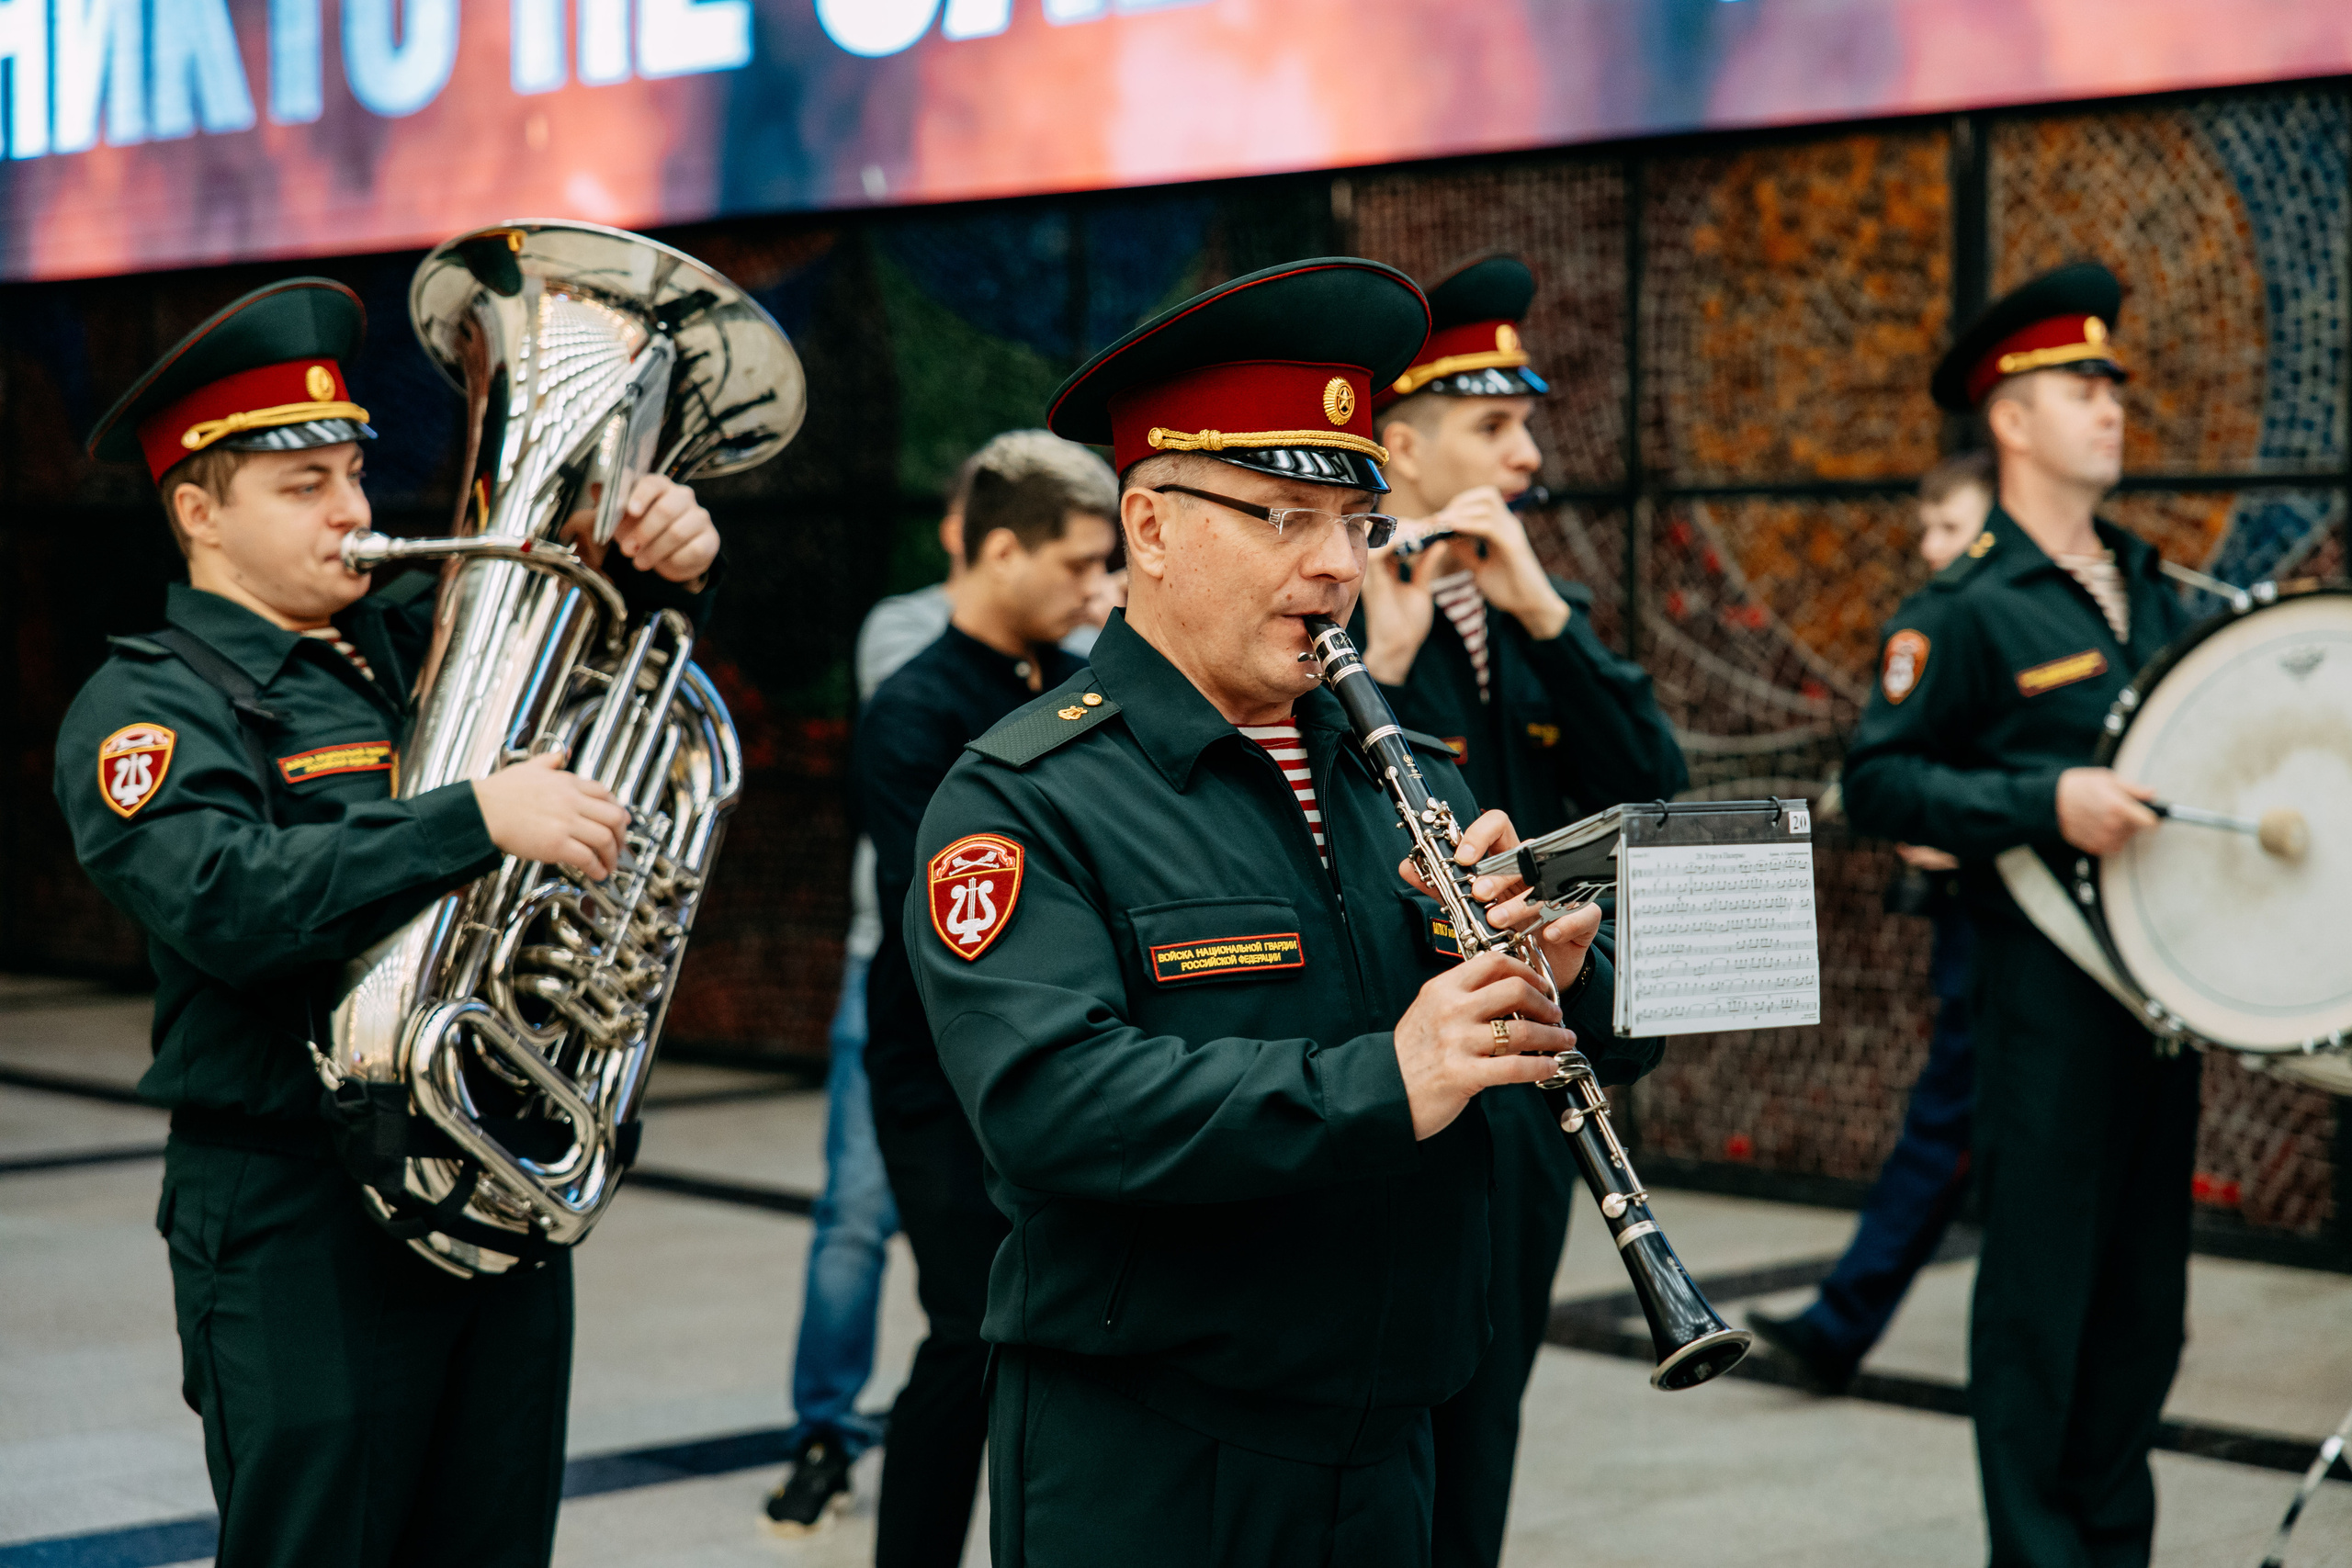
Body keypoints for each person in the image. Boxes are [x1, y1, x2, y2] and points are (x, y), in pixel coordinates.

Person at [909, 257, 1643, 1568]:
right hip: (1152, 1452)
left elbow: (1585, 1050)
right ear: (1149, 527)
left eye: (1356, 521)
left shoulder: (1406, 771)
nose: (1335, 565)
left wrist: (1560, 978)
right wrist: (1387, 1078)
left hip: (1392, 1437)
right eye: (1284, 516)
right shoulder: (1024, 794)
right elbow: (1049, 1102)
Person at [54, 279, 720, 1567]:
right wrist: (470, 819)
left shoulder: (425, 634)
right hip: (296, 1215)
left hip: (489, 1188)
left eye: (353, 474)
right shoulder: (147, 705)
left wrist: (661, 568)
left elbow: (613, 690)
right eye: (302, 485)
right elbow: (227, 899)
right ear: (199, 512)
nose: (353, 511)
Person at [1842, 264, 2199, 1568]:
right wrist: (2044, 798)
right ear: (2009, 418)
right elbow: (1877, 780)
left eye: (2113, 386)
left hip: (2161, 1002)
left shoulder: (2153, 586)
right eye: (2079, 387)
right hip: (2040, 1002)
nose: (2111, 407)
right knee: (2041, 1312)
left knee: (2143, 1316)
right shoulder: (1965, 605)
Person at [1355, 253, 1687, 1568]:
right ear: (1400, 445)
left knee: (1490, 1412)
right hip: (1407, 1063)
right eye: (1494, 425)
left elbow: (1651, 781)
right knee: (1402, 1418)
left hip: (1537, 1072)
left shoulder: (1520, 606)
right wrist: (1382, 667)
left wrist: (1545, 611)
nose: (1529, 454)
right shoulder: (1330, 608)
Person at [857, 431, 1120, 1566]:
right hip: (940, 1077)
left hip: (1056, 1057)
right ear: (1002, 550)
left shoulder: (1074, 683)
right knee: (969, 1331)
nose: (1096, 587)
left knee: (1052, 1332)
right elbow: (954, 922)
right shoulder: (915, 708)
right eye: (1078, 564)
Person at [1746, 448, 1996, 1391]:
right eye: (1927, 529)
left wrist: (1964, 829)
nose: (1930, 547)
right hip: (1973, 928)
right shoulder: (1947, 626)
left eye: (1950, 527)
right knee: (1947, 1130)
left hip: (2015, 929)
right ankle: (1840, 1323)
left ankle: (1841, 1324)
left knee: (1946, 1134)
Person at [765, 468, 976, 1535]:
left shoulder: (1063, 645)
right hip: (881, 967)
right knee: (855, 1215)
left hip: (979, 988)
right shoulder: (907, 629)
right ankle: (824, 1432)